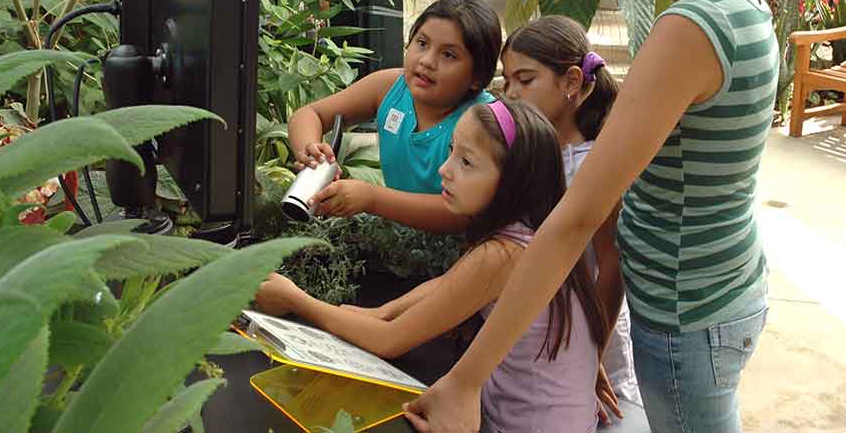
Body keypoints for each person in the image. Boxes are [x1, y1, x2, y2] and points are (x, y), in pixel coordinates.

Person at [405, 0, 777, 432]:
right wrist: (597, 339)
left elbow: (576, 219)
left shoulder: (690, 28)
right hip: (720, 290)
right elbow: (659, 196)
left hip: (687, 314)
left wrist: (466, 381)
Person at [259, 100, 610, 432]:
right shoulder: (530, 234)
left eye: (466, 162)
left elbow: (389, 340)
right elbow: (446, 286)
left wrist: (295, 299)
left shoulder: (502, 254)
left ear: (512, 181)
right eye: (452, 150)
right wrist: (379, 313)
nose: (445, 169)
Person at [501, 16, 647, 432]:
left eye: (525, 80)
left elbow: (611, 267)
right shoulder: (529, 148)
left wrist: (591, 354)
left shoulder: (597, 162)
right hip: (540, 323)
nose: (511, 93)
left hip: (593, 326)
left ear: (570, 81)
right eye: (507, 81)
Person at [287, 0, 501, 233]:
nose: (427, 61)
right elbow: (310, 114)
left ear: (478, 77)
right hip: (398, 238)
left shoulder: (483, 123)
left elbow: (465, 215)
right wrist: (312, 155)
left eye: (448, 55)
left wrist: (373, 199)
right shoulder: (389, 87)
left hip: (464, 249)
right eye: (422, 43)